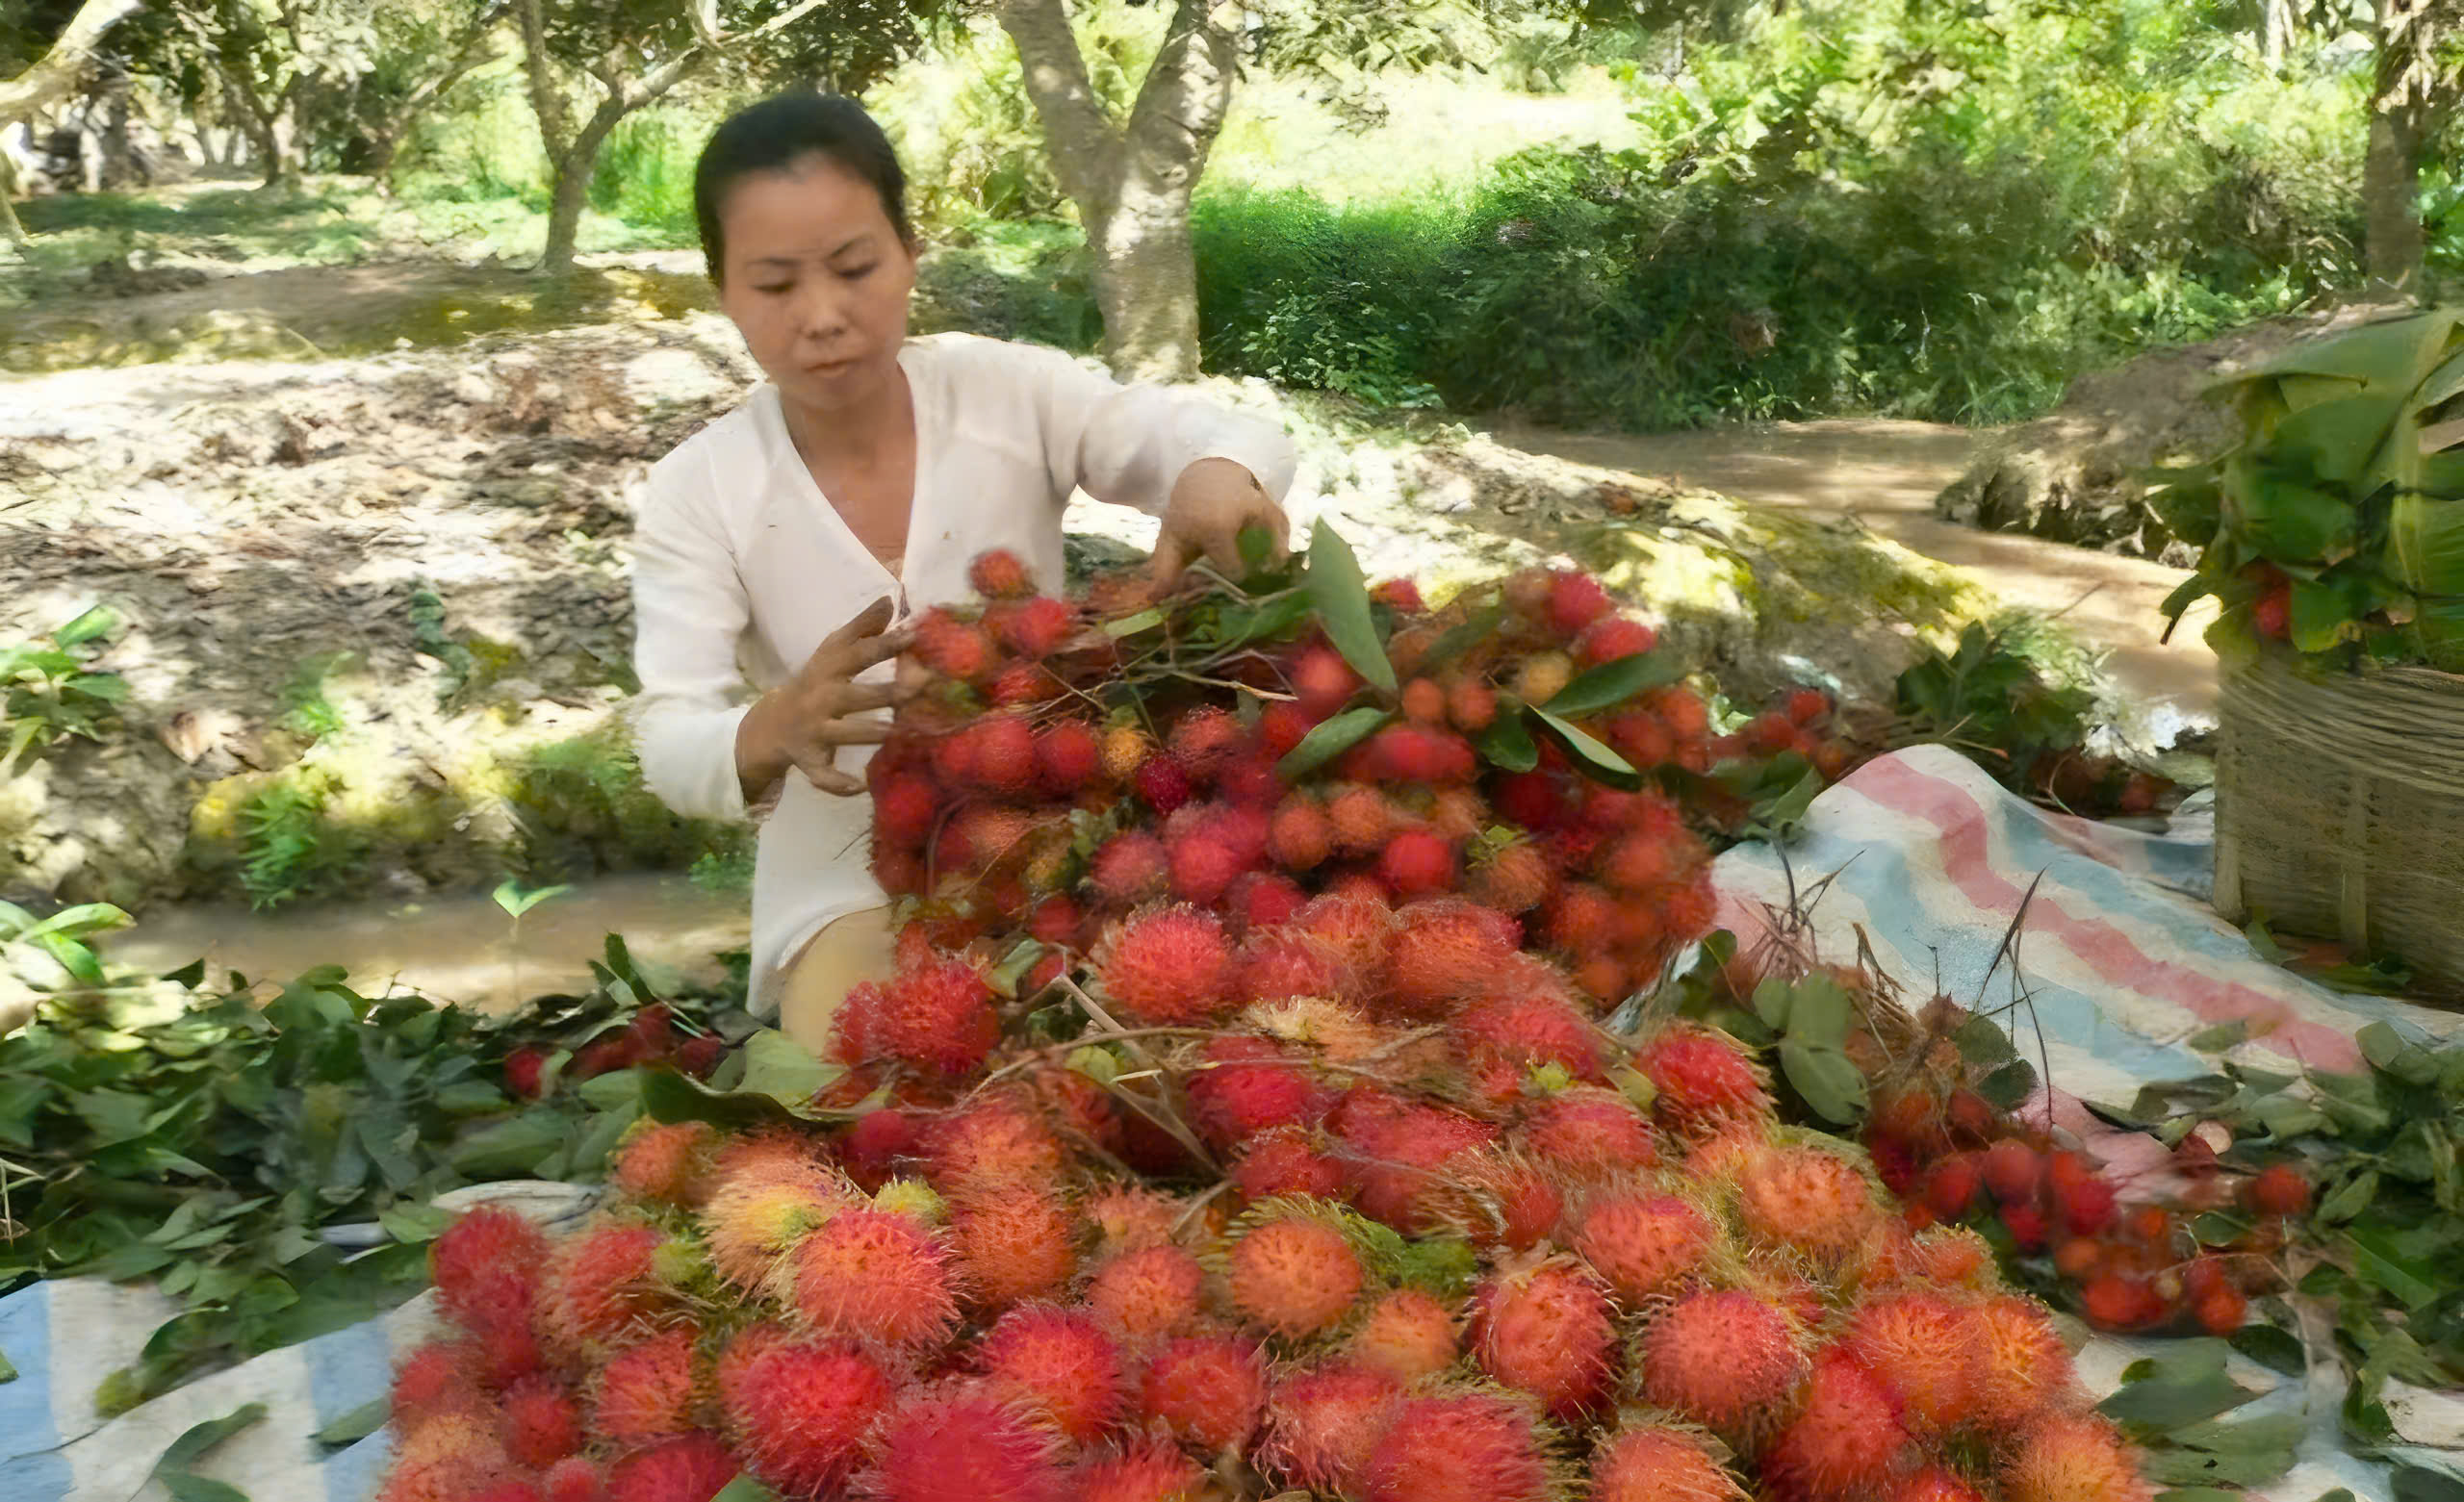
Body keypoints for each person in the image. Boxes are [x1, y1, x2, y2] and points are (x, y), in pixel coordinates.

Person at [629, 93, 1298, 1046]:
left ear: (908, 250)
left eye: (855, 267)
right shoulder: (700, 488)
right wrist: (767, 728)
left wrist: (1219, 474)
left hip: (1065, 839)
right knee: (876, 1080)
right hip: (844, 878)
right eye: (774, 286)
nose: (822, 316)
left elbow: (1203, 432)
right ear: (723, 290)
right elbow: (668, 733)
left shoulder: (1004, 392)